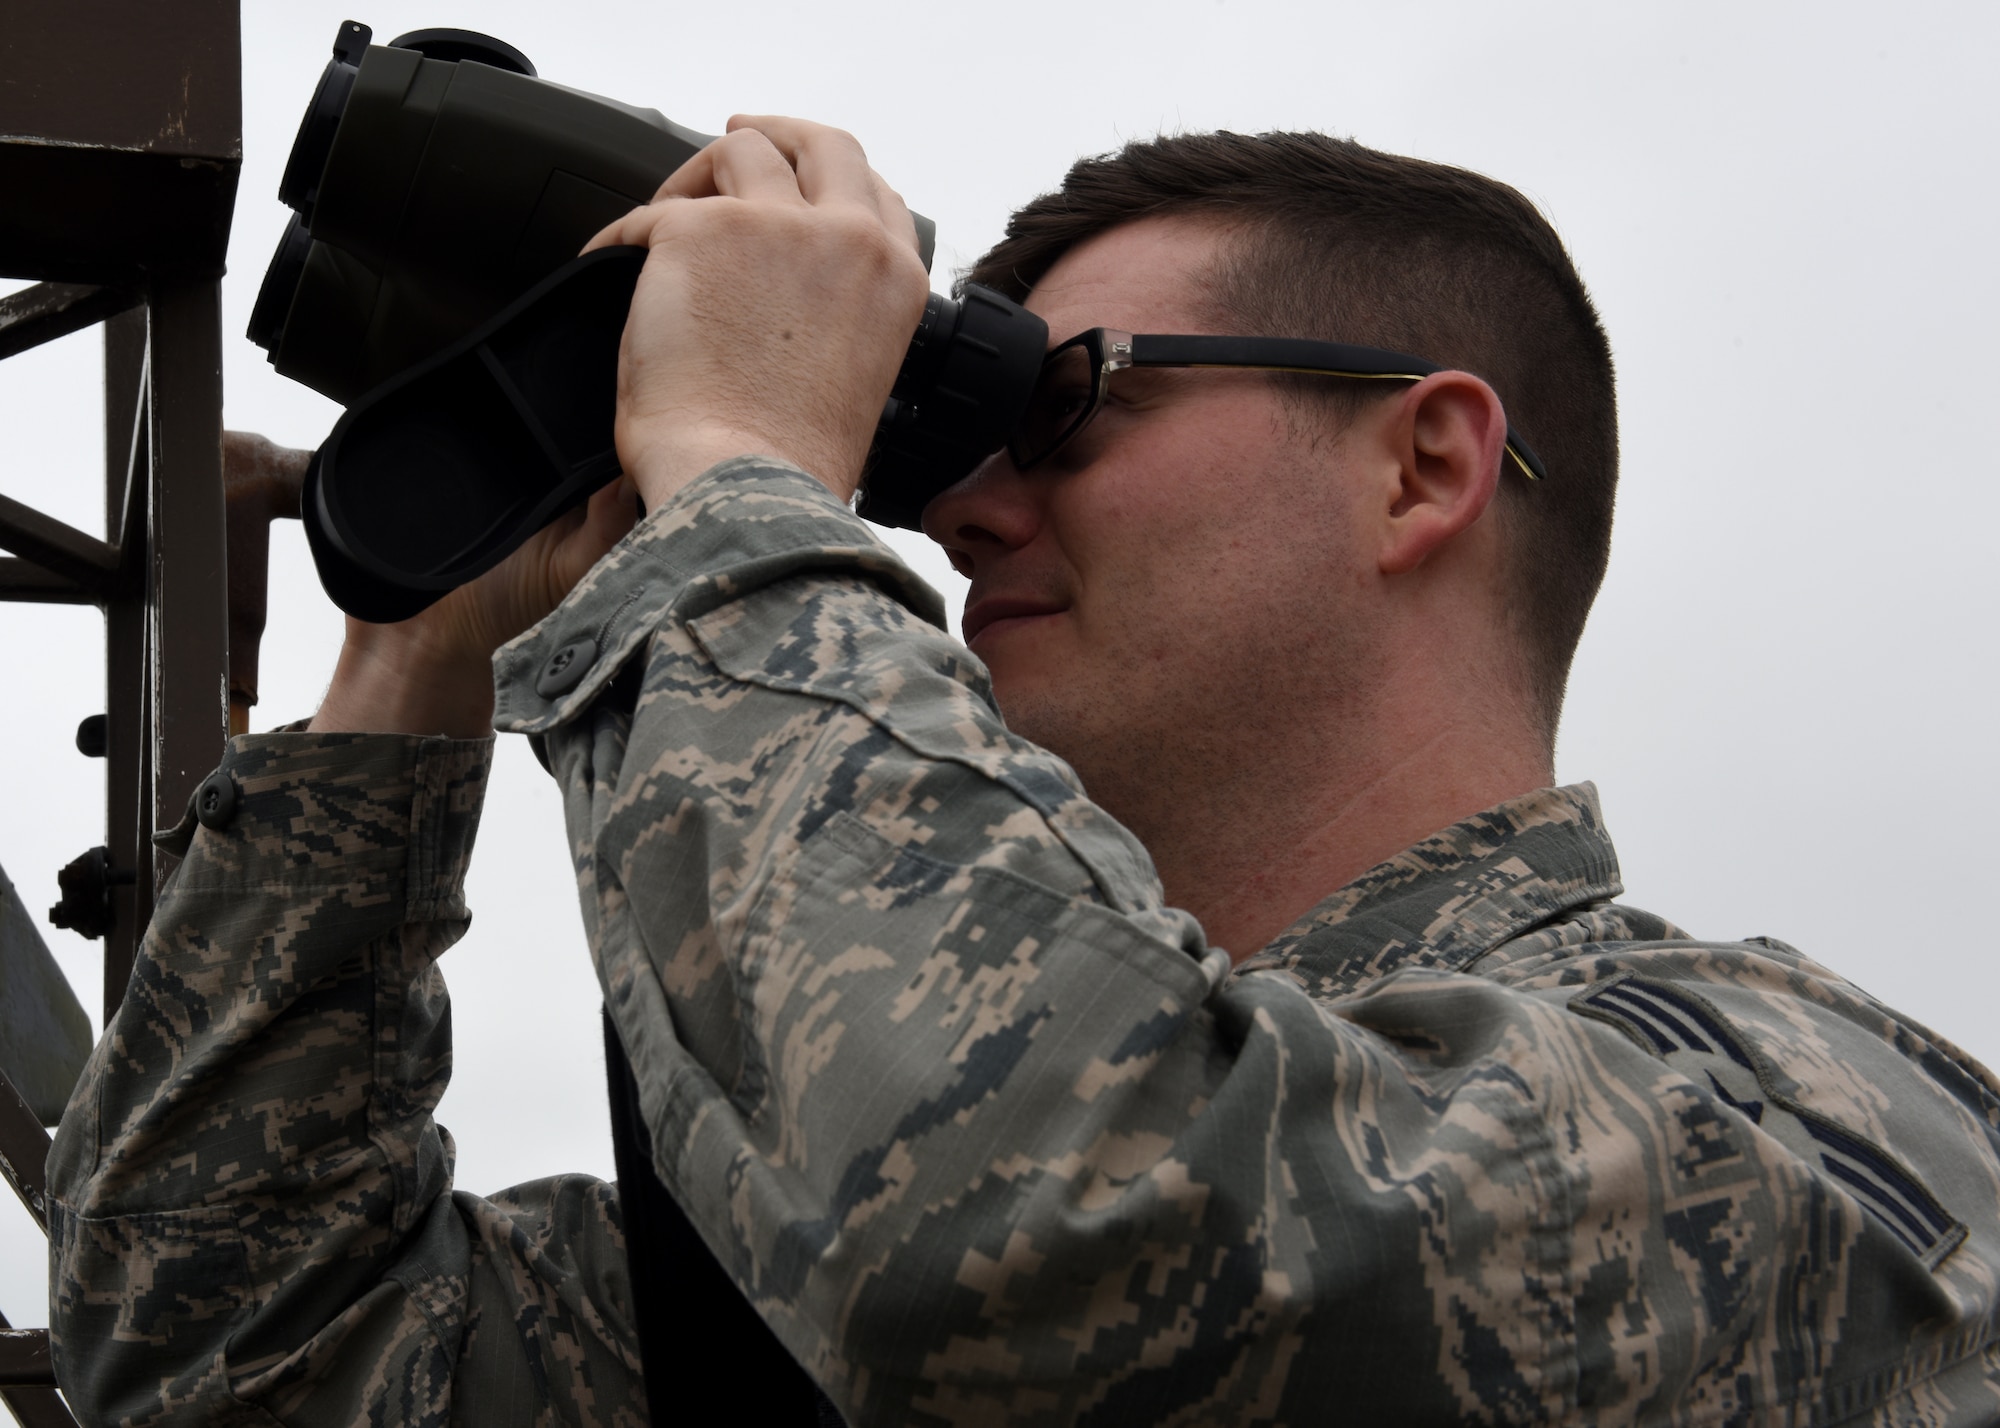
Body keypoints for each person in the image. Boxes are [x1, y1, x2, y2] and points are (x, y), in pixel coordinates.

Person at [46, 117, 2000, 1426]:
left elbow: (1050, 1235)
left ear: (1422, 465)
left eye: (1063, 401)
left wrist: (737, 471)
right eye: (938, 436)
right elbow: (231, 1354)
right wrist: (428, 643)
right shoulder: (818, 1197)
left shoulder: (1808, 1128)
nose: (964, 501)